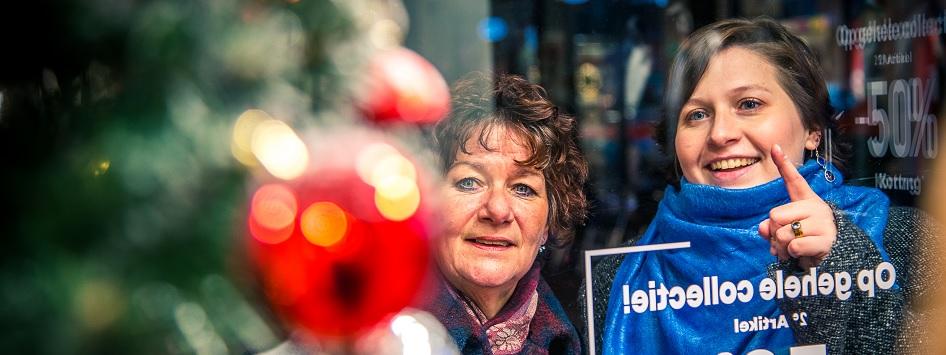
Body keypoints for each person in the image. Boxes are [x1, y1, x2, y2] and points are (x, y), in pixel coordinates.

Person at [587, 18, 939, 354]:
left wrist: (844, 262)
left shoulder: (907, 240)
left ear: (813, 128)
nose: (721, 133)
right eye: (696, 114)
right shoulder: (618, 278)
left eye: (749, 104)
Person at [420, 73, 588, 354]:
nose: (497, 210)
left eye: (522, 188)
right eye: (469, 182)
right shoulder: (379, 335)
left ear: (547, 223)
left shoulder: (576, 339)